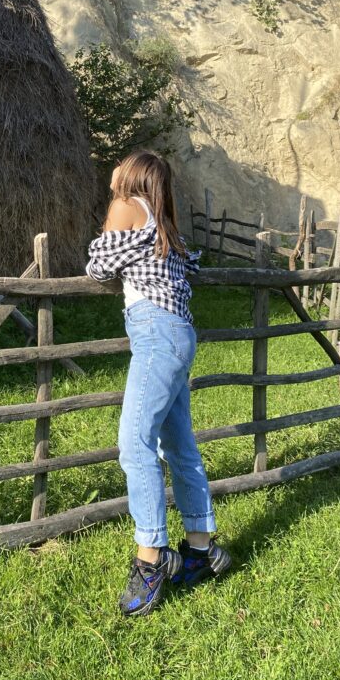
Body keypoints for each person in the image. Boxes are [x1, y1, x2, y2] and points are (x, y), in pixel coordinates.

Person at [86, 149, 231, 617]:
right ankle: (200, 549)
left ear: (132, 176)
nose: (114, 171)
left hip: (155, 333)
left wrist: (115, 194)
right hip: (179, 333)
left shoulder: (126, 204)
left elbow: (98, 266)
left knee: (134, 444)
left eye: (121, 166)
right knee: (179, 445)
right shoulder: (163, 224)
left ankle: (151, 559)